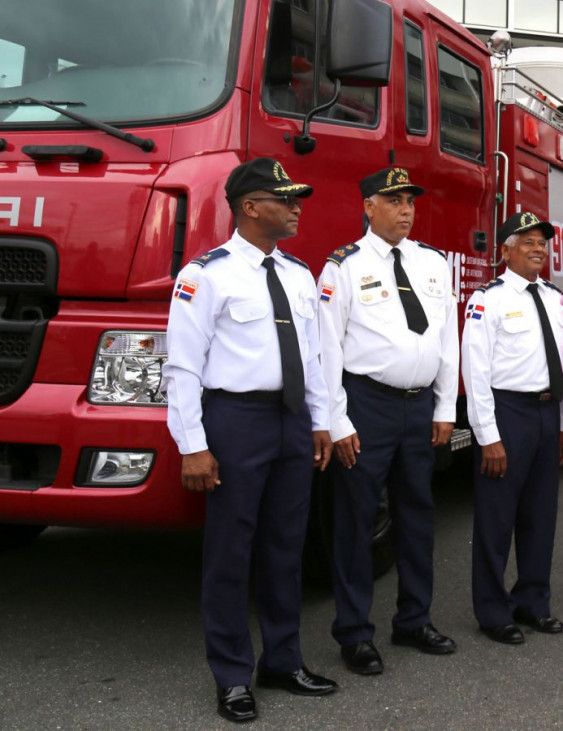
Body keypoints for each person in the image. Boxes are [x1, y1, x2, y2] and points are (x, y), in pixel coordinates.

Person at [162, 158, 337, 723]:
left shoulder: (298, 274)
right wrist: (192, 444)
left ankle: (283, 660)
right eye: (284, 199)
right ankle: (232, 675)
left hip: (289, 422)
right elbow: (183, 369)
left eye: (296, 198)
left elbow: (311, 357)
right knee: (230, 553)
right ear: (249, 207)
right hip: (235, 420)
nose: (296, 207)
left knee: (286, 547)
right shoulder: (206, 275)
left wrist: (319, 420)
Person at [317, 168, 459, 676]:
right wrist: (337, 420)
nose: (405, 210)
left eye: (410, 202)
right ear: (368, 207)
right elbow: (327, 348)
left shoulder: (433, 263)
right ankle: (354, 633)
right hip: (366, 406)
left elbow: (447, 339)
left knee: (417, 517)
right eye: (393, 200)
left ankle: (414, 620)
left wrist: (445, 408)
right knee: (356, 521)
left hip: (420, 407)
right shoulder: (344, 266)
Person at [461, 211, 563, 645]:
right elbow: (477, 373)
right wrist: (488, 436)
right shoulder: (486, 299)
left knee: (540, 516)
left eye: (542, 241)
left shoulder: (555, 298)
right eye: (526, 241)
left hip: (547, 413)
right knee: (496, 518)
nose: (537, 248)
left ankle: (533, 602)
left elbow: (560, 366)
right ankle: (492, 611)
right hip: (508, 414)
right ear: (505, 250)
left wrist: (562, 423)